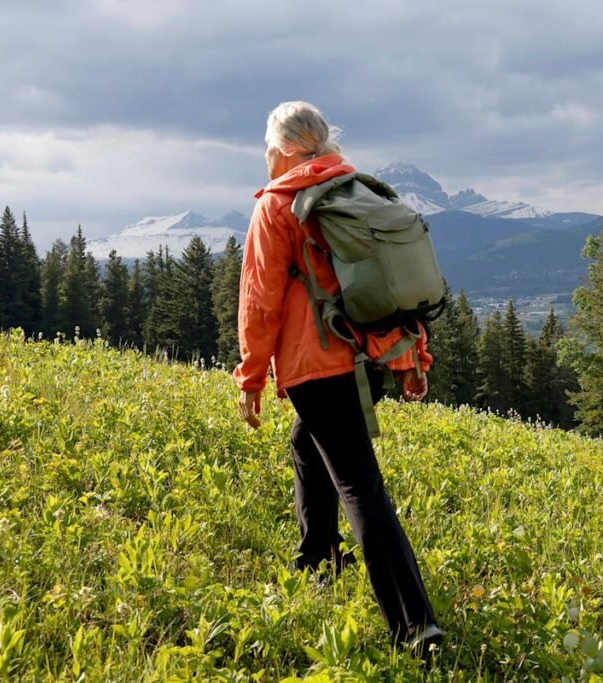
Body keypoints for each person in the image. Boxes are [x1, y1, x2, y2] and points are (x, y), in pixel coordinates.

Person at [233, 101, 443, 655]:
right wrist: (412, 356)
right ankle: (318, 556)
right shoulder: (359, 190)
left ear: (280, 150)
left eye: (266, 148)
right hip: (368, 361)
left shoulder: (278, 206)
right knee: (308, 444)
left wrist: (250, 377)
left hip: (318, 367)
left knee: (361, 488)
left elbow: (260, 302)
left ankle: (416, 627)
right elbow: (394, 284)